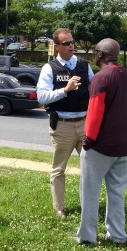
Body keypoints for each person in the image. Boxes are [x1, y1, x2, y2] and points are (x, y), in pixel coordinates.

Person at [77, 38, 127, 245]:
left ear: (100, 54)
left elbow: (95, 112)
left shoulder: (101, 77)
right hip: (124, 144)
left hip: (101, 145)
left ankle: (87, 237)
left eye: (95, 51)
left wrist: (88, 140)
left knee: (89, 192)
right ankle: (118, 235)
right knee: (117, 193)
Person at [37, 28, 94, 218]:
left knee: (90, 167)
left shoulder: (84, 66)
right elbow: (42, 97)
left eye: (72, 42)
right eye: (67, 43)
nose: (72, 46)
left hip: (85, 123)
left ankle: (88, 206)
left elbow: (94, 90)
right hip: (62, 125)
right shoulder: (50, 68)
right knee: (59, 169)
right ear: (57, 47)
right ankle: (59, 208)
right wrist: (65, 90)